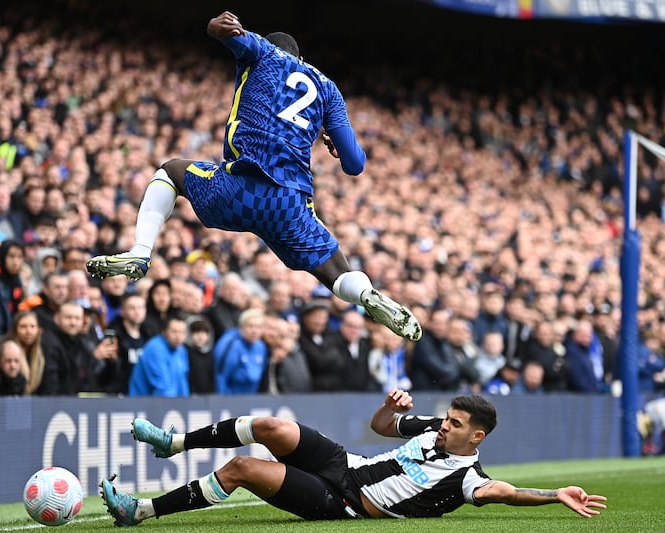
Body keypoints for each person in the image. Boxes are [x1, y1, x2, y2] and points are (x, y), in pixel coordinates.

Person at [86, 11, 421, 342]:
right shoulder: (328, 89)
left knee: (171, 171)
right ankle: (365, 294)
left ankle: (141, 252)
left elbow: (222, 32)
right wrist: (334, 147)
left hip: (239, 188)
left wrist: (218, 26)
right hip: (289, 204)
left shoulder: (262, 52)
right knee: (336, 271)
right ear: (301, 58)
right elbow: (355, 165)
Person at [99, 390, 606, 526]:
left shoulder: (466, 476)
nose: (443, 424)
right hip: (346, 461)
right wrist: (388, 410)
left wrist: (551, 495)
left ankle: (138, 512)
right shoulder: (432, 427)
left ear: (475, 438)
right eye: (446, 418)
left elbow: (502, 493)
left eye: (453, 423)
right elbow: (382, 429)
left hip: (342, 499)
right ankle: (174, 443)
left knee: (243, 470)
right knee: (271, 425)